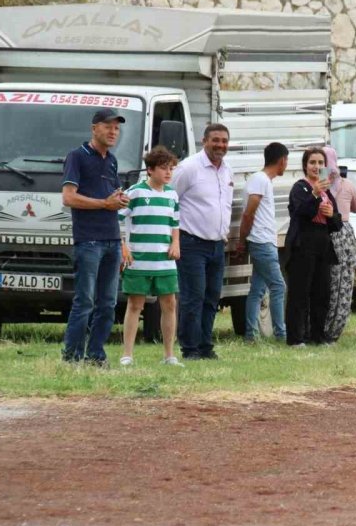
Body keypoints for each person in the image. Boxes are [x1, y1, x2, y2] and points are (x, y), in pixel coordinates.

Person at [60, 108, 130, 366]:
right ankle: (72, 356)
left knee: (108, 304)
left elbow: (111, 200)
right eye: (108, 126)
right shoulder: (77, 156)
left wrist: (119, 201)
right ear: (94, 128)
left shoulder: (111, 161)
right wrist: (103, 203)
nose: (113, 132)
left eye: (117, 128)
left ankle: (96, 355)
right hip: (88, 241)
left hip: (111, 239)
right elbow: (68, 198)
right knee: (85, 301)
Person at [173, 123, 233, 361]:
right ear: (204, 141)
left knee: (212, 298)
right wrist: (173, 239)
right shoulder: (188, 168)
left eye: (224, 141)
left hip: (217, 244)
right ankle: (189, 349)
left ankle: (205, 346)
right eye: (215, 140)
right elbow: (170, 200)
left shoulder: (228, 170)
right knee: (192, 297)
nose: (220, 145)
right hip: (191, 243)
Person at [119, 146, 182, 366]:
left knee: (170, 304)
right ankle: (127, 354)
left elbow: (175, 223)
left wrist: (175, 243)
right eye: (163, 168)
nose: (168, 173)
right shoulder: (135, 192)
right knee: (136, 304)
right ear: (150, 170)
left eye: (171, 169)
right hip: (139, 259)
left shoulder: (172, 194)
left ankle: (169, 355)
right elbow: (116, 218)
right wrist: (123, 247)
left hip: (164, 260)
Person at [284, 147, 343, 347]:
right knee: (299, 293)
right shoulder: (300, 188)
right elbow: (301, 212)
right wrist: (315, 194)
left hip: (323, 244)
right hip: (303, 243)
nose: (316, 167)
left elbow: (337, 224)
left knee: (322, 292)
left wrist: (330, 214)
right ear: (305, 166)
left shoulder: (327, 191)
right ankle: (295, 338)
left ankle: (318, 336)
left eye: (320, 163)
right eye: (312, 163)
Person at [237, 142, 288, 343]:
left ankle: (251, 335)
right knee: (278, 286)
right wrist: (243, 239)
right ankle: (281, 334)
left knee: (257, 289)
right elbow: (249, 212)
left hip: (263, 241)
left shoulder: (263, 180)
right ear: (282, 160)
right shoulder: (260, 180)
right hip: (262, 241)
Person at [322, 145, 356, 343]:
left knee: (327, 279)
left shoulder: (319, 185)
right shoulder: (347, 184)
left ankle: (320, 324)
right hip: (344, 232)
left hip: (325, 232)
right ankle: (335, 327)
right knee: (344, 280)